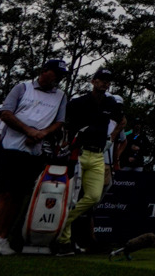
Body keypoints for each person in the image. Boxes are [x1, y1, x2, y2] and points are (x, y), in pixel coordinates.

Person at [0, 58, 68, 257]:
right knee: (5, 194)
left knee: (18, 196)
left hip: (34, 152)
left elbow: (59, 122)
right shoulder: (22, 88)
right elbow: (6, 113)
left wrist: (41, 134)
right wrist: (28, 131)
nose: (58, 79)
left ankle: (0, 236)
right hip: (10, 147)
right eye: (55, 73)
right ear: (45, 71)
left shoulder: (60, 96)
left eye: (61, 76)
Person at [52, 67, 125, 256]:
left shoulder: (111, 103)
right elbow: (65, 123)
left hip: (98, 155)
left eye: (107, 81)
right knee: (72, 198)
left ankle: (62, 223)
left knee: (93, 197)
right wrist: (66, 142)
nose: (105, 83)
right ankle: (64, 241)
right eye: (101, 80)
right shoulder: (79, 102)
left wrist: (111, 138)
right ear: (93, 81)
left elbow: (122, 121)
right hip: (79, 153)